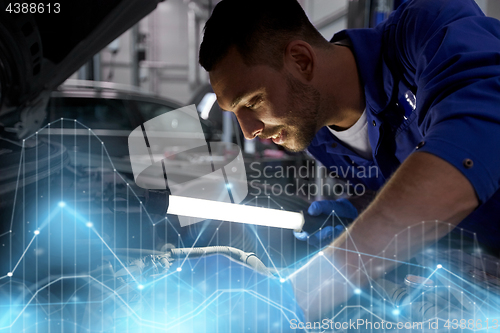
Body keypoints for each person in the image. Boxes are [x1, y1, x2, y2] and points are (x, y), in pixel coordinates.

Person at [199, 0, 500, 320]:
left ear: (301, 60)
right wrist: (357, 213)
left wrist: (304, 291)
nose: (248, 131)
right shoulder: (318, 138)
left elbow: (478, 135)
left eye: (253, 101)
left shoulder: (426, 27)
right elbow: (415, 198)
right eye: (236, 113)